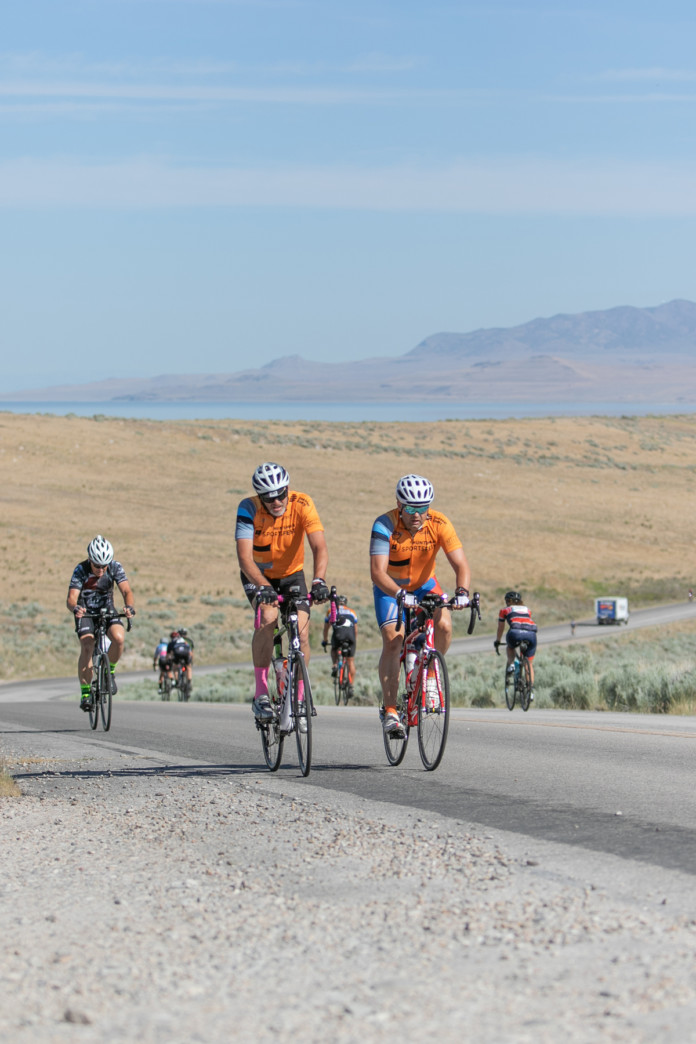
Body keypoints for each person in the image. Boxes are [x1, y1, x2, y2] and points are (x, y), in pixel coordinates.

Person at [370, 474, 471, 737]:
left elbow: (460, 564)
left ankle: (431, 674)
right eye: (410, 508)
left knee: (444, 625)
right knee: (393, 639)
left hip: (425, 584)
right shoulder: (384, 524)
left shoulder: (439, 523)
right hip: (390, 587)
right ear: (399, 504)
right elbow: (377, 572)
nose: (417, 514)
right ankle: (391, 710)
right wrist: (400, 594)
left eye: (423, 507)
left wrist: (462, 591)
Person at [236, 462, 330, 723]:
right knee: (267, 619)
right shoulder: (248, 508)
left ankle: (298, 698)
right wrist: (264, 586)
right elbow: (244, 558)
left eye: (281, 494)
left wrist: (319, 580)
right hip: (258, 574)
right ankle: (261, 693)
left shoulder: (303, 503)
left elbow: (319, 547)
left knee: (302, 630)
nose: (276, 501)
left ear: (288, 488)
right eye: (269, 497)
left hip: (292, 574)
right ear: (260, 496)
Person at [66, 535, 136, 711]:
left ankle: (109, 672)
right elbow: (72, 598)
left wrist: (129, 607)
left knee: (119, 638)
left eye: (104, 565)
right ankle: (85, 693)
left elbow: (126, 590)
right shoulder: (81, 570)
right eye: (97, 565)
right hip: (85, 611)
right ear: (90, 560)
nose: (101, 569)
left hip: (107, 608)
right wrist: (75, 608)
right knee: (87, 646)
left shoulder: (114, 567)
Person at [494, 591, 538, 696]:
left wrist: (498, 641)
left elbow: (501, 627)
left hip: (515, 633)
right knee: (529, 664)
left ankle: (512, 664)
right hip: (531, 635)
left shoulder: (504, 610)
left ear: (508, 601)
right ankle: (530, 692)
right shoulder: (527, 610)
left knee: (510, 647)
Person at [322, 595, 358, 699]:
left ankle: (335, 664)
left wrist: (325, 641)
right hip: (351, 637)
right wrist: (354, 641)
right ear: (346, 603)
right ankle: (351, 685)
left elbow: (326, 628)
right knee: (350, 661)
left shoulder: (331, 611)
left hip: (338, 635)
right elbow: (355, 630)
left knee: (334, 649)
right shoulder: (352, 611)